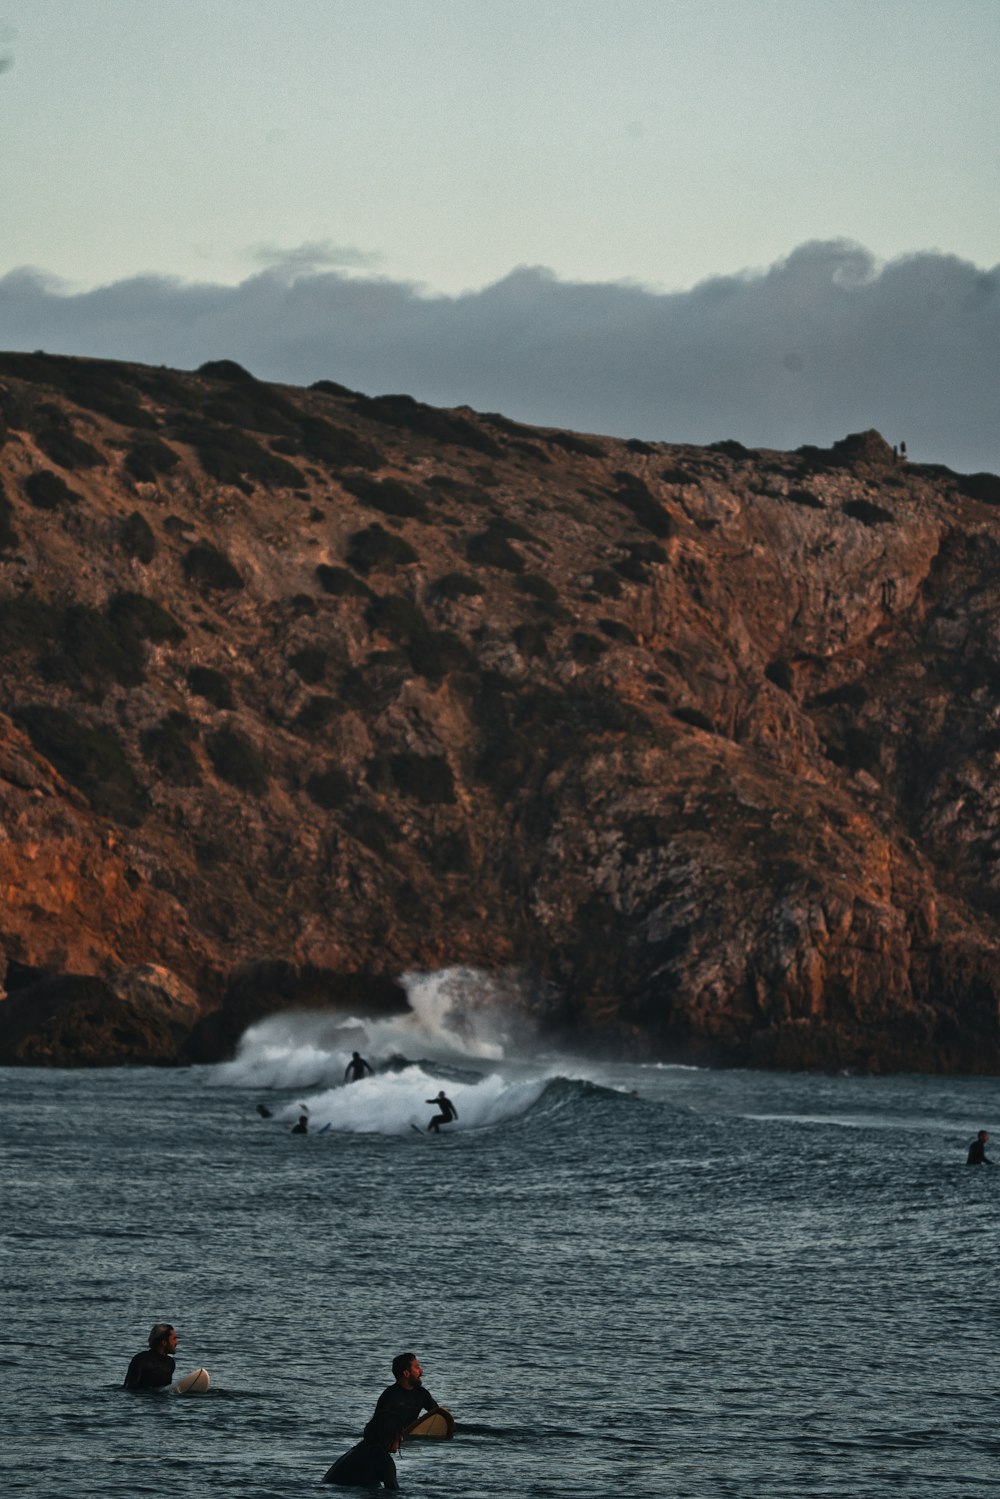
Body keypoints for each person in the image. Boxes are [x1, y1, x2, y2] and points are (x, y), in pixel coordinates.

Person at [322, 1352, 441, 1489]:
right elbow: (395, 1493)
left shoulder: (357, 1451)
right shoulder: (383, 1460)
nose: (402, 1440)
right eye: (416, 1367)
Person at [123, 1323, 178, 1389]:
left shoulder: (170, 1362)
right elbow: (129, 1388)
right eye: (174, 1339)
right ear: (164, 1342)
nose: (176, 1342)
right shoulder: (141, 1359)